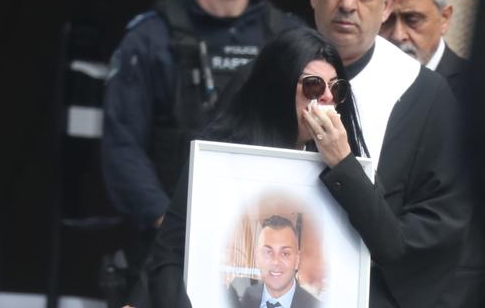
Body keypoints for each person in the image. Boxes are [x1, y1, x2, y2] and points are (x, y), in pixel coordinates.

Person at [101, 0, 304, 300]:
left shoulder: (286, 38)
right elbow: (122, 149)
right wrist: (175, 227)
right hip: (166, 251)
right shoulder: (150, 39)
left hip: (258, 252)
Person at [307, 0, 485, 307]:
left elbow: (437, 228)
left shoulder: (426, 94)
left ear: (386, 4)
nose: (347, 3)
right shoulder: (268, 68)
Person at [145, 27, 367, 308]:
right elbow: (168, 255)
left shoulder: (335, 165)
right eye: (313, 86)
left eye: (336, 88)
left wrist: (344, 162)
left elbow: (386, 242)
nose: (326, 98)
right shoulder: (220, 158)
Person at [379, 0, 469, 100]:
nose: (397, 34)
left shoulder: (475, 89)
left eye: (413, 20)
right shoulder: (354, 78)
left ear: (444, 18)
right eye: (387, 19)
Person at [239, 215, 320, 308]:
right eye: (268, 252)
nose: (275, 262)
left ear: (297, 260)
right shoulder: (246, 298)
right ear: (257, 258)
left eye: (285, 254)